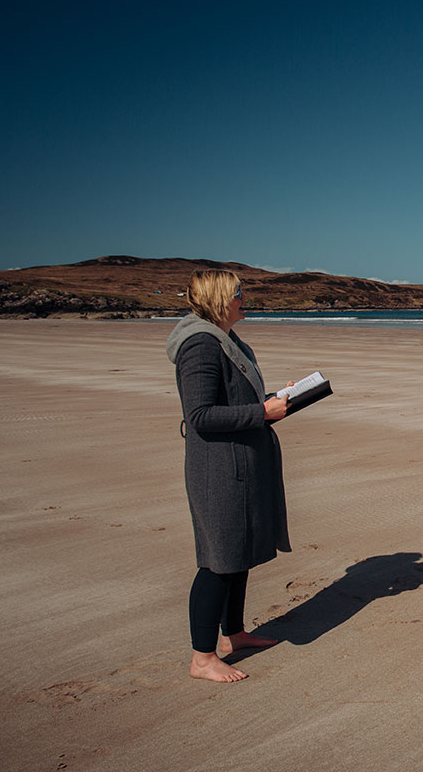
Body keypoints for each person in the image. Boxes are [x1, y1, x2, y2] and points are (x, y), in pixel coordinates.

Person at [166, 270, 292, 682]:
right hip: (219, 468)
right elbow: (200, 415)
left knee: (238, 555)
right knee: (219, 561)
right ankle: (202, 658)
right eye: (238, 293)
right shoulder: (200, 344)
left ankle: (233, 634)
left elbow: (232, 399)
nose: (244, 298)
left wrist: (273, 400)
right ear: (219, 299)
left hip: (241, 462)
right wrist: (262, 412)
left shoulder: (227, 340)